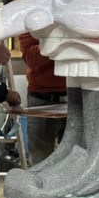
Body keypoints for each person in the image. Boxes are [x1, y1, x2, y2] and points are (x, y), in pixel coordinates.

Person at [18, 32, 66, 165]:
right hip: (42, 97)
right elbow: (31, 58)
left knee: (75, 158)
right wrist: (61, 40)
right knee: (40, 160)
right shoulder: (33, 19)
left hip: (76, 96)